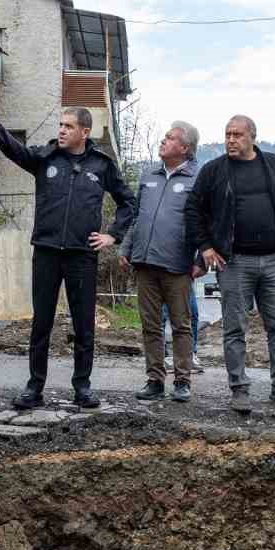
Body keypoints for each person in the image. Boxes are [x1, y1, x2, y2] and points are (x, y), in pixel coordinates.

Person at [0, 89, 135, 409]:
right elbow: (13, 150)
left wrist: (113, 235)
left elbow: (128, 202)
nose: (60, 130)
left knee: (84, 324)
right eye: (60, 125)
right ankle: (34, 388)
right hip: (46, 251)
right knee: (41, 323)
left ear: (84, 132)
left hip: (81, 255)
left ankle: (82, 388)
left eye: (68, 126)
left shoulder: (102, 165)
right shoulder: (46, 157)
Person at [186, 114, 275, 412]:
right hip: (234, 262)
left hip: (273, 262)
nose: (230, 140)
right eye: (227, 134)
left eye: (237, 134)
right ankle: (239, 388)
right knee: (234, 328)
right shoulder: (214, 171)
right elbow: (193, 209)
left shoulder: (274, 166)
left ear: (252, 136)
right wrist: (206, 247)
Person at [120, 120, 202, 403]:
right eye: (164, 137)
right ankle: (155, 380)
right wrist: (126, 248)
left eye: (170, 138)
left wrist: (200, 259)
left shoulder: (195, 180)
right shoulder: (148, 175)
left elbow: (203, 223)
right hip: (145, 261)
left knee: (181, 324)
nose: (163, 141)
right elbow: (137, 216)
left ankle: (182, 380)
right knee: (150, 325)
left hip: (177, 265)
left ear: (185, 147)